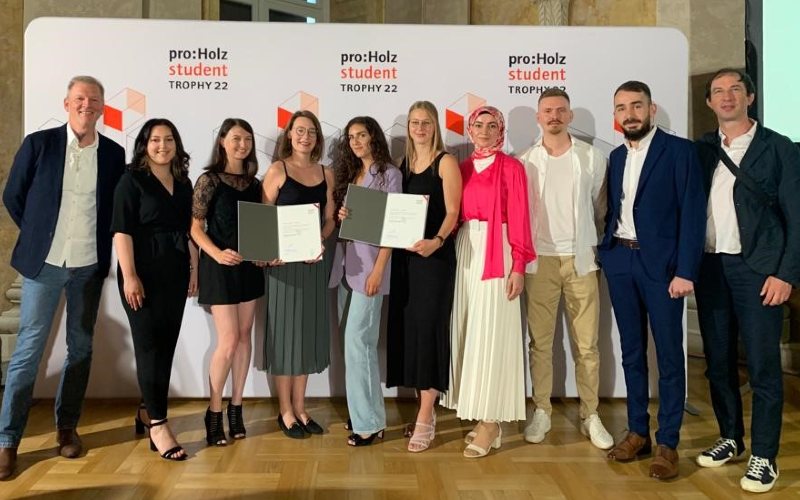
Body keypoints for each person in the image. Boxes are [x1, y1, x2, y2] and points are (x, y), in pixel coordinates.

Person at [0, 76, 125, 479]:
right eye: (79, 99)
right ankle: (7, 442)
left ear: (102, 108)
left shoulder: (113, 154)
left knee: (81, 348)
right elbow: (13, 196)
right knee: (27, 354)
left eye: (93, 100)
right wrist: (40, 236)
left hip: (88, 267)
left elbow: (112, 211)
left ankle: (66, 429)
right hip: (45, 265)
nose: (86, 105)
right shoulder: (40, 144)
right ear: (67, 103)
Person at [693, 68, 800, 493]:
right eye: (718, 91)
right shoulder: (702, 149)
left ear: (750, 97)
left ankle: (764, 456)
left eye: (735, 89)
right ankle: (731, 437)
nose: (726, 97)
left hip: (759, 272)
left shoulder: (780, 149)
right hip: (711, 269)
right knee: (718, 363)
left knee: (763, 368)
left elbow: (797, 218)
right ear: (709, 103)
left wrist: (785, 274)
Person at [599, 81, 706, 480]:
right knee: (631, 352)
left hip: (663, 269)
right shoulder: (615, 157)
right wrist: (607, 254)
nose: (629, 114)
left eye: (636, 106)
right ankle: (638, 431)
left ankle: (668, 442)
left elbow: (693, 215)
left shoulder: (680, 152)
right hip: (621, 261)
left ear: (652, 108)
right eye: (622, 107)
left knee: (669, 356)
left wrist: (685, 271)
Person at [518, 88, 612, 449]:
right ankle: (541, 410)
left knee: (587, 345)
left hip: (582, 261)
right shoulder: (524, 160)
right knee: (540, 343)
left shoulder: (592, 158)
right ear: (538, 118)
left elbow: (600, 210)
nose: (554, 116)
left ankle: (591, 414)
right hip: (538, 261)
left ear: (569, 116)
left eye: (560, 110)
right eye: (547, 111)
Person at [440, 105, 535, 458]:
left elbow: (522, 219)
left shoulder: (512, 168)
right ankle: (481, 414)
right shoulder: (461, 168)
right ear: (470, 129)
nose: (483, 130)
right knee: (470, 332)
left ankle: (492, 421)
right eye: (477, 124)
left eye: (491, 125)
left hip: (500, 251)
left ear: (501, 131)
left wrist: (520, 266)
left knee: (494, 333)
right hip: (466, 249)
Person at [111, 118, 198, 460]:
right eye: (155, 139)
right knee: (148, 348)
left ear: (176, 144)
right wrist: (130, 276)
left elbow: (189, 230)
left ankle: (147, 410)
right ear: (144, 145)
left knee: (166, 346)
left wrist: (194, 268)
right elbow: (122, 231)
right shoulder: (130, 181)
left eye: (169, 139)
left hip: (175, 272)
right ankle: (159, 425)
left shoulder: (183, 181)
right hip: (141, 273)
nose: (162, 145)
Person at [386, 101, 461, 452]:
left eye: (426, 122)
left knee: (429, 332)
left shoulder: (445, 162)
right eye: (414, 122)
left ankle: (427, 415)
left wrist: (437, 241)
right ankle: (422, 409)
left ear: (435, 126)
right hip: (404, 263)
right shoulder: (400, 166)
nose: (419, 128)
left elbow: (453, 211)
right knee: (411, 333)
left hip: (434, 260)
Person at [190, 118, 265, 446]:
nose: (242, 145)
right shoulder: (207, 180)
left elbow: (262, 225)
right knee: (229, 340)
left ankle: (237, 407)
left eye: (247, 139)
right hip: (219, 267)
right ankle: (214, 411)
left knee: (245, 337)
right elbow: (194, 228)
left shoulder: (255, 182)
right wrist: (218, 254)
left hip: (249, 267)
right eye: (236, 138)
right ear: (222, 141)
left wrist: (264, 251)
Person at [262, 110, 335, 439]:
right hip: (282, 268)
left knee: (305, 336)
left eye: (311, 131)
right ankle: (285, 411)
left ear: (317, 138)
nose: (305, 136)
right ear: (289, 135)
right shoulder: (278, 170)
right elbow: (263, 222)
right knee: (285, 338)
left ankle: (301, 407)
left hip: (313, 265)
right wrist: (270, 252)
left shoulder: (326, 173)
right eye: (299, 130)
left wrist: (319, 239)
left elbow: (331, 219)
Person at [330, 116, 402, 446]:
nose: (357, 141)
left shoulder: (390, 174)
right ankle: (365, 412)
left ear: (374, 136)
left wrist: (379, 270)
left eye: (362, 135)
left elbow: (393, 226)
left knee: (358, 344)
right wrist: (342, 216)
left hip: (372, 269)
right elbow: (349, 222)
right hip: (348, 267)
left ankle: (369, 423)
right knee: (359, 346)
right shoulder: (352, 174)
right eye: (351, 137)